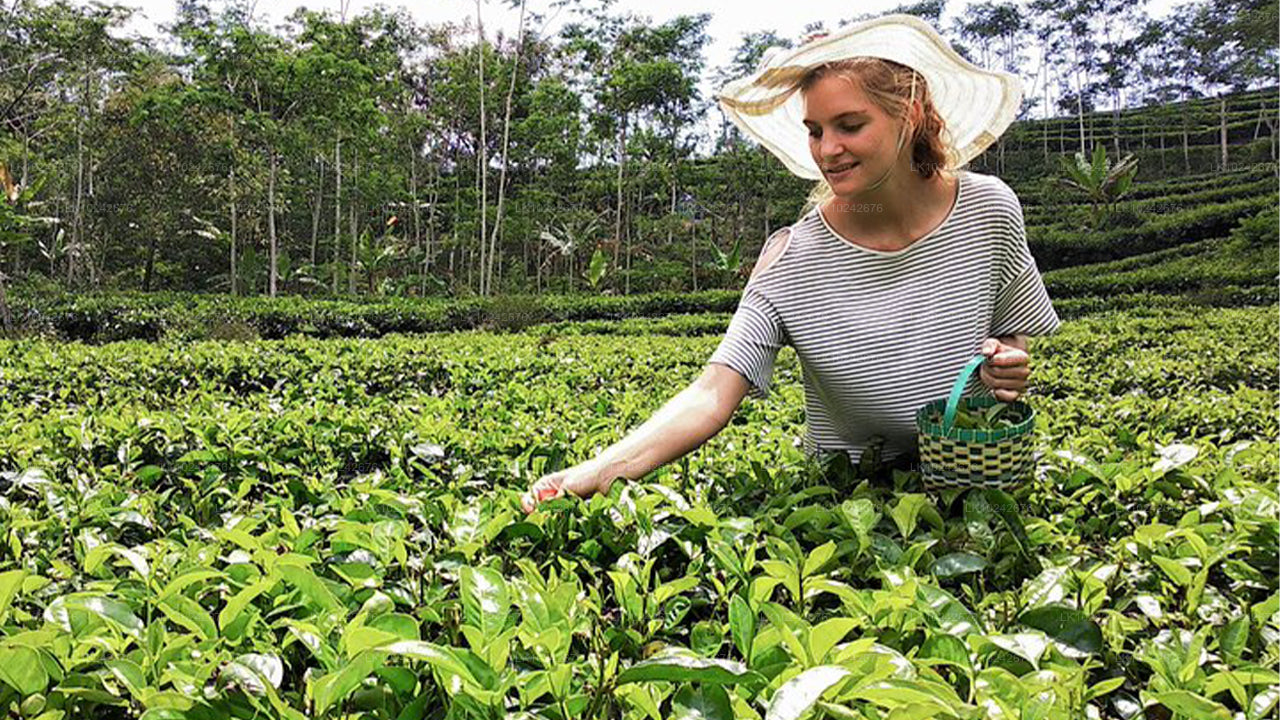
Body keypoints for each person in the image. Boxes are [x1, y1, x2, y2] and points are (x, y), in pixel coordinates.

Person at [521, 14, 1060, 514]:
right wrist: (597, 471)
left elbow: (1009, 336)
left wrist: (1007, 364)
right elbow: (712, 393)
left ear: (910, 114)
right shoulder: (792, 258)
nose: (827, 150)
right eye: (815, 130)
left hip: (973, 485)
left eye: (849, 125)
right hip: (849, 500)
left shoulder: (988, 209)